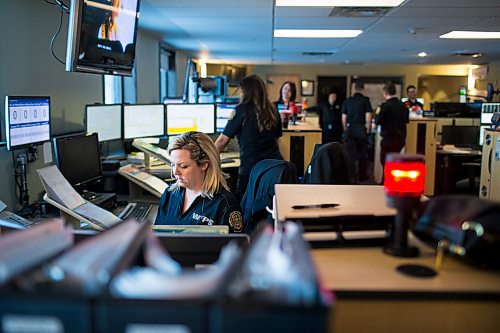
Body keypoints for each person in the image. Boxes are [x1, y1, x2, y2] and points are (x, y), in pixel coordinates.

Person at [155, 131, 243, 233]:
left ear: (204, 165)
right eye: (173, 165)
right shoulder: (170, 194)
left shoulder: (225, 205)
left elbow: (234, 247)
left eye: (183, 166)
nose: (175, 172)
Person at [215, 74, 283, 199]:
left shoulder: (241, 110)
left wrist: (207, 160)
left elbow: (222, 141)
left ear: (246, 92)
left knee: (245, 203)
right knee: (271, 202)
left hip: (251, 168)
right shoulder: (273, 110)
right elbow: (276, 139)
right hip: (275, 165)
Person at [342, 82, 373, 183]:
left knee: (350, 156)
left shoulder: (348, 101)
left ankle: (351, 178)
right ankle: (362, 176)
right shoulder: (365, 100)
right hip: (361, 129)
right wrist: (367, 130)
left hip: (350, 129)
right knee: (362, 155)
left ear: (353, 89)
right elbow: (368, 116)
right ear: (363, 89)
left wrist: (345, 129)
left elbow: (344, 117)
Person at [376, 82, 410, 167]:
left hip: (388, 140)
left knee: (385, 162)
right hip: (400, 140)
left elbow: (378, 121)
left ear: (385, 93)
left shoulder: (384, 106)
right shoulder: (404, 106)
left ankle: (385, 180)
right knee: (395, 162)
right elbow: (406, 120)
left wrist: (377, 113)